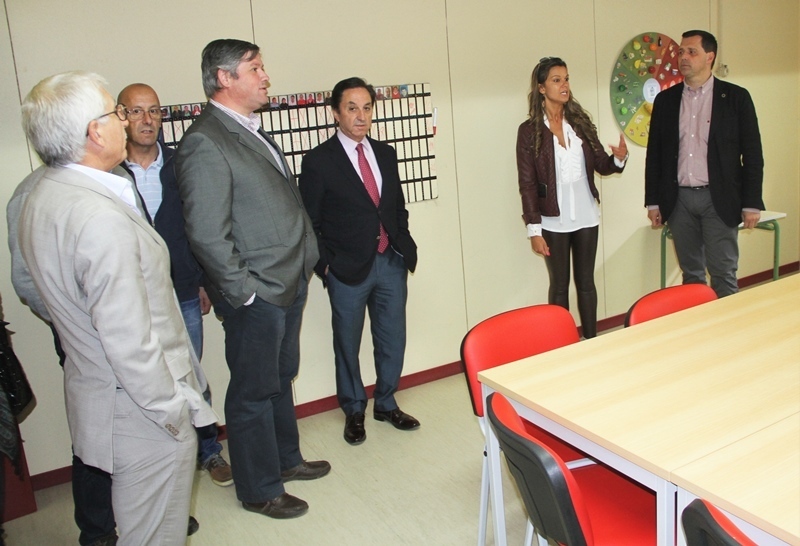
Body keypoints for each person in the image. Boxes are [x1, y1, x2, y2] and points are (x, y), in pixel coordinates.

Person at [14, 71, 216, 545]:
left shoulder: (43, 195)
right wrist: (172, 412)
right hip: (140, 412)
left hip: (102, 395)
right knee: (153, 535)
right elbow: (128, 340)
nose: (126, 122)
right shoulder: (97, 217)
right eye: (116, 112)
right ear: (93, 131)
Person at [175, 38, 329, 520]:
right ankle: (259, 489)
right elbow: (206, 233)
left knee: (279, 378)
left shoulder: (248, 129)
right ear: (225, 78)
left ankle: (285, 460)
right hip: (257, 291)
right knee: (252, 392)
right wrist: (244, 293)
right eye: (255, 68)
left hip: (288, 280)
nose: (266, 77)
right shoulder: (205, 141)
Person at [117, 83, 233, 487]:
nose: (147, 120)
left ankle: (209, 451)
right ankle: (163, 460)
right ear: (121, 116)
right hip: (131, 299)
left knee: (191, 377)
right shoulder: (110, 173)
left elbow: (198, 226)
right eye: (136, 111)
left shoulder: (180, 164)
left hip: (182, 291)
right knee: (144, 385)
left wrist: (201, 281)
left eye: (154, 111)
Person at [299, 77, 419, 446]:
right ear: (336, 113)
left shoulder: (385, 153)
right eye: (352, 108)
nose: (361, 116)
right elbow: (309, 222)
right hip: (346, 269)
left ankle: (386, 402)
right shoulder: (319, 161)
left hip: (389, 260)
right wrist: (326, 266)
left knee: (392, 338)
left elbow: (396, 207)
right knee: (347, 344)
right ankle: (354, 409)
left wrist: (403, 243)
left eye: (367, 108)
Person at [645, 30, 764, 297]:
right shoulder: (666, 100)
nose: (683, 57)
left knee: (723, 273)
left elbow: (753, 154)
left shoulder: (736, 98)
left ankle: (728, 322)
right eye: (681, 52)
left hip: (719, 198)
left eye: (691, 52)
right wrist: (653, 201)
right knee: (692, 276)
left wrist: (751, 203)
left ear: (710, 57)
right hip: (679, 200)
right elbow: (655, 155)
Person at [516, 57, 628, 339]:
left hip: (586, 215)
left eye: (566, 79)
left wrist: (618, 159)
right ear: (542, 88)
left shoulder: (579, 122)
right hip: (553, 220)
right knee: (559, 285)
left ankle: (592, 341)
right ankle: (562, 344)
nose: (564, 85)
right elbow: (527, 184)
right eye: (556, 80)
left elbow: (601, 163)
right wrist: (534, 230)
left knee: (587, 282)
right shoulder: (528, 131)